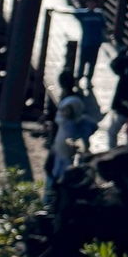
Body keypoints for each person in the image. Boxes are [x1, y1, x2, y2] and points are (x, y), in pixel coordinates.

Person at [46, 70, 95, 201]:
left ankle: (53, 196)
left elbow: (63, 119)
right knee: (55, 167)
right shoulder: (75, 98)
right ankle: (54, 194)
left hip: (64, 141)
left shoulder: (70, 101)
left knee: (58, 169)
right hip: (62, 139)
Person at [53, 0, 108, 89]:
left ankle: (89, 80)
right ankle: (78, 79)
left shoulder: (99, 14)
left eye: (93, 2)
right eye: (89, 2)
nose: (91, 4)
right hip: (85, 42)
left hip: (96, 43)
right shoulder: (83, 13)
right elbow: (70, 12)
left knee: (92, 62)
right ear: (86, 3)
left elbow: (104, 27)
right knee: (82, 62)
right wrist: (57, 10)